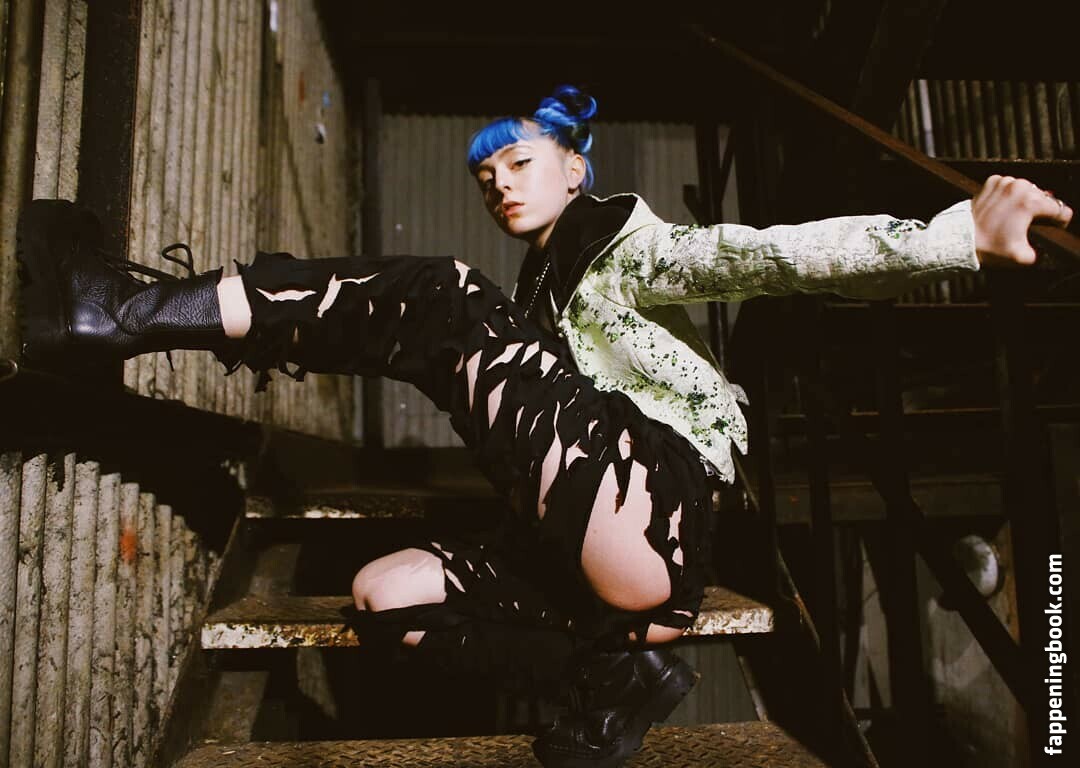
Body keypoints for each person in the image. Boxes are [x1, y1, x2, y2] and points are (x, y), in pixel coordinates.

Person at [15, 84, 1072, 768]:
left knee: (442, 297)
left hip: (657, 502)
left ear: (577, 166)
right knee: (386, 595)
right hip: (592, 569)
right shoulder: (530, 316)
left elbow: (767, 255)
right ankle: (611, 674)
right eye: (485, 176)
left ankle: (125, 311)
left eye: (519, 161)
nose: (498, 184)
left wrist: (950, 238)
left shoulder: (626, 245)